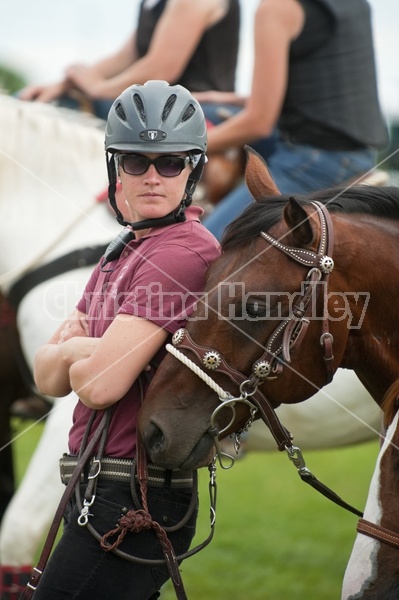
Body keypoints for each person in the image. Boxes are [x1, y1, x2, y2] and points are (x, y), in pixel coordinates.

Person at [30, 80, 220, 600]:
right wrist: (88, 354)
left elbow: (96, 387)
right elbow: (45, 376)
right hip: (93, 488)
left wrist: (79, 350)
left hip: (136, 499)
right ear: (115, 169)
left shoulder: (180, 253)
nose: (153, 176)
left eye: (170, 162)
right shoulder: (122, 250)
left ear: (193, 169)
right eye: (136, 162)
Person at [198, 0, 388, 240]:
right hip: (355, 153)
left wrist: (172, 147)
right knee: (212, 112)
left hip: (316, 160)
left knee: (205, 247)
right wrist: (224, 99)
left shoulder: (277, 8)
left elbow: (258, 122)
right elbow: (320, 93)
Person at [18, 0, 240, 121]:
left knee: (73, 106)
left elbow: (160, 70)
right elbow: (124, 59)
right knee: (40, 99)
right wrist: (64, 85)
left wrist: (96, 88)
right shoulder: (155, 4)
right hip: (159, 105)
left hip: (199, 110)